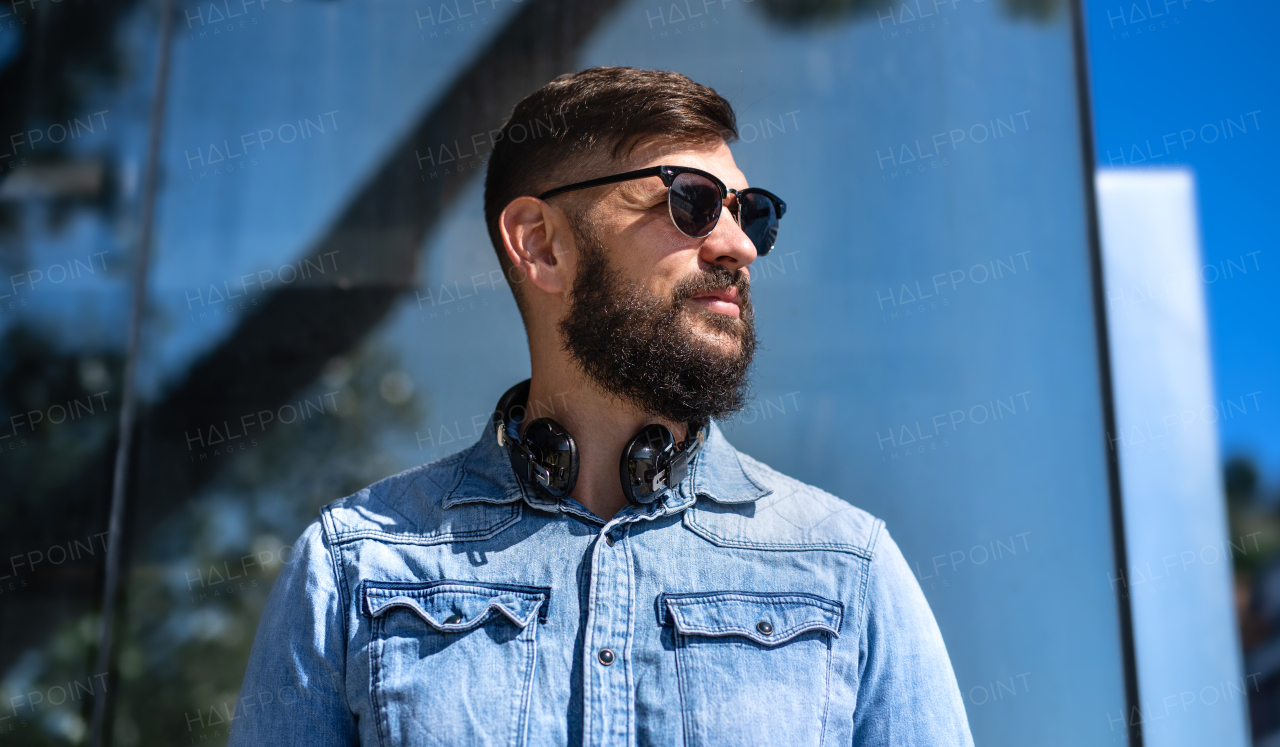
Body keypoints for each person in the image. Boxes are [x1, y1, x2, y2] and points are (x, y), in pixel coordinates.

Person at [228, 66, 973, 747]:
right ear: (541, 245)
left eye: (752, 213)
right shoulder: (355, 568)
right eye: (692, 201)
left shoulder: (847, 570)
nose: (738, 244)